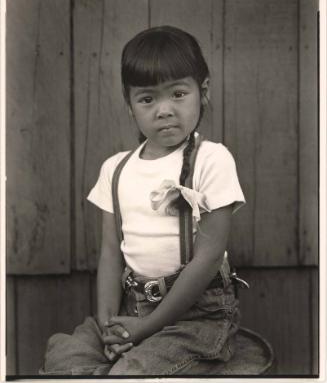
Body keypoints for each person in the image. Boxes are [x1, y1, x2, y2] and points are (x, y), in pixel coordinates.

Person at [41, 25, 246, 376]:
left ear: (203, 91)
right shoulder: (116, 169)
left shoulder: (212, 159)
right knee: (62, 357)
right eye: (148, 99)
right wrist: (111, 327)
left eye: (178, 94)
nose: (164, 110)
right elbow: (110, 253)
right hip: (131, 308)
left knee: (131, 373)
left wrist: (146, 330)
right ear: (130, 104)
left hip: (197, 316)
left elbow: (208, 258)